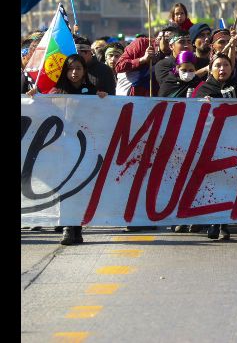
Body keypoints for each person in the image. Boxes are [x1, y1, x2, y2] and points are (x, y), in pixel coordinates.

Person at [27, 54, 108, 245]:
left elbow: (100, 115)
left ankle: (76, 229)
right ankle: (67, 228)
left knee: (79, 189)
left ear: (84, 71)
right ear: (65, 71)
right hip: (61, 149)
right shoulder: (57, 91)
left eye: (78, 69)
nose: (74, 73)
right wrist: (34, 98)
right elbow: (43, 112)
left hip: (85, 148)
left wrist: (103, 100)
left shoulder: (92, 91)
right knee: (64, 189)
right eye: (71, 69)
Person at [193, 50, 237, 240]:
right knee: (214, 184)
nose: (222, 69)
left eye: (226, 65)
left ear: (232, 68)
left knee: (231, 182)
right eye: (218, 66)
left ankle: (224, 223)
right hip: (212, 145)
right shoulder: (204, 89)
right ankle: (214, 222)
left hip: (236, 143)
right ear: (211, 69)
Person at [114, 25, 177, 97]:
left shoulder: (176, 54)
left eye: (173, 41)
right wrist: (142, 59)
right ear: (158, 38)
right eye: (167, 39)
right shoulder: (141, 43)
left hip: (154, 98)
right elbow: (119, 67)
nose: (170, 44)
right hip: (130, 95)